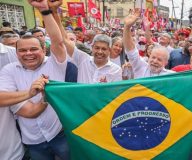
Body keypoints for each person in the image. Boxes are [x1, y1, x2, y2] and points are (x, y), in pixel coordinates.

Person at [0, 0, 69, 159]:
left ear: (44, 49)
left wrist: (45, 11)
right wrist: (30, 93)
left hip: (59, 135)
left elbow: (58, 42)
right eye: (22, 50)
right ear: (16, 53)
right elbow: (5, 99)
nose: (28, 53)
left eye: (33, 49)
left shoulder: (55, 64)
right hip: (33, 141)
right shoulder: (8, 70)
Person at [50, 0, 121, 84]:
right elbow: (65, 39)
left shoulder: (116, 70)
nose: (100, 52)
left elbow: (115, 93)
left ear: (109, 50)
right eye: (97, 48)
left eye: (104, 49)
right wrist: (54, 12)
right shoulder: (83, 59)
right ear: (92, 47)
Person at [0, 77, 49, 160]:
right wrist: (29, 93)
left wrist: (45, 96)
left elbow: (31, 111)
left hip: (14, 156)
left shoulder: (4, 87)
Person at [123, 9, 174, 78]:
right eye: (153, 57)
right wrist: (127, 27)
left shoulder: (171, 76)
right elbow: (131, 51)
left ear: (166, 63)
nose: (155, 61)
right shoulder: (140, 66)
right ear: (149, 57)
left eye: (159, 59)